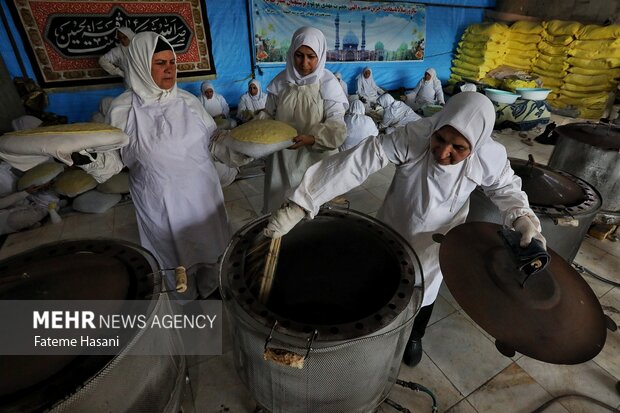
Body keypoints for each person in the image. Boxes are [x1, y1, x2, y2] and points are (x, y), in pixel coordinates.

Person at [263, 92, 545, 367]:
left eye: (458, 148)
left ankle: (414, 336)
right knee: (382, 279)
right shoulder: (416, 136)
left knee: (428, 287)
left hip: (439, 238)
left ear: (477, 144)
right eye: (441, 138)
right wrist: (302, 202)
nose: (444, 152)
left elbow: (505, 187)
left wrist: (522, 218)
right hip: (397, 225)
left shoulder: (489, 155)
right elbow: (362, 159)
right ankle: (372, 333)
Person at [79, 32, 244, 299]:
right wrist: (88, 159)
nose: (169, 69)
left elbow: (215, 142)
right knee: (173, 253)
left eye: (172, 62)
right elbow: (112, 163)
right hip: (159, 200)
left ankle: (212, 288)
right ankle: (185, 297)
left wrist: (242, 148)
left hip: (202, 195)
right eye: (160, 63)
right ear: (142, 65)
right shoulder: (123, 109)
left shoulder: (189, 103)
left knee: (211, 246)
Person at [259, 26, 348, 213]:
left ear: (321, 55)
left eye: (311, 56)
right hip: (283, 159)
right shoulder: (281, 82)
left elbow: (336, 123)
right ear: (292, 52)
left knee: (314, 211)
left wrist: (314, 138)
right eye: (299, 55)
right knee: (282, 209)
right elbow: (267, 116)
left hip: (316, 160)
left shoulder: (328, 84)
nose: (304, 63)